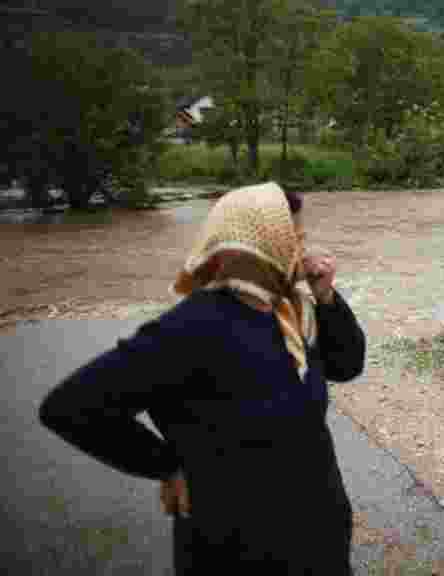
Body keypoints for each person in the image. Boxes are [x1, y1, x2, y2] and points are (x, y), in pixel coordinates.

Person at [38, 182, 366, 574]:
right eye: (295, 238)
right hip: (237, 548)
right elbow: (72, 406)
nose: (305, 250)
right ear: (262, 244)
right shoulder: (192, 328)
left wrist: (326, 298)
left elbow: (347, 365)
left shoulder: (290, 309)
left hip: (319, 531)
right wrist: (165, 465)